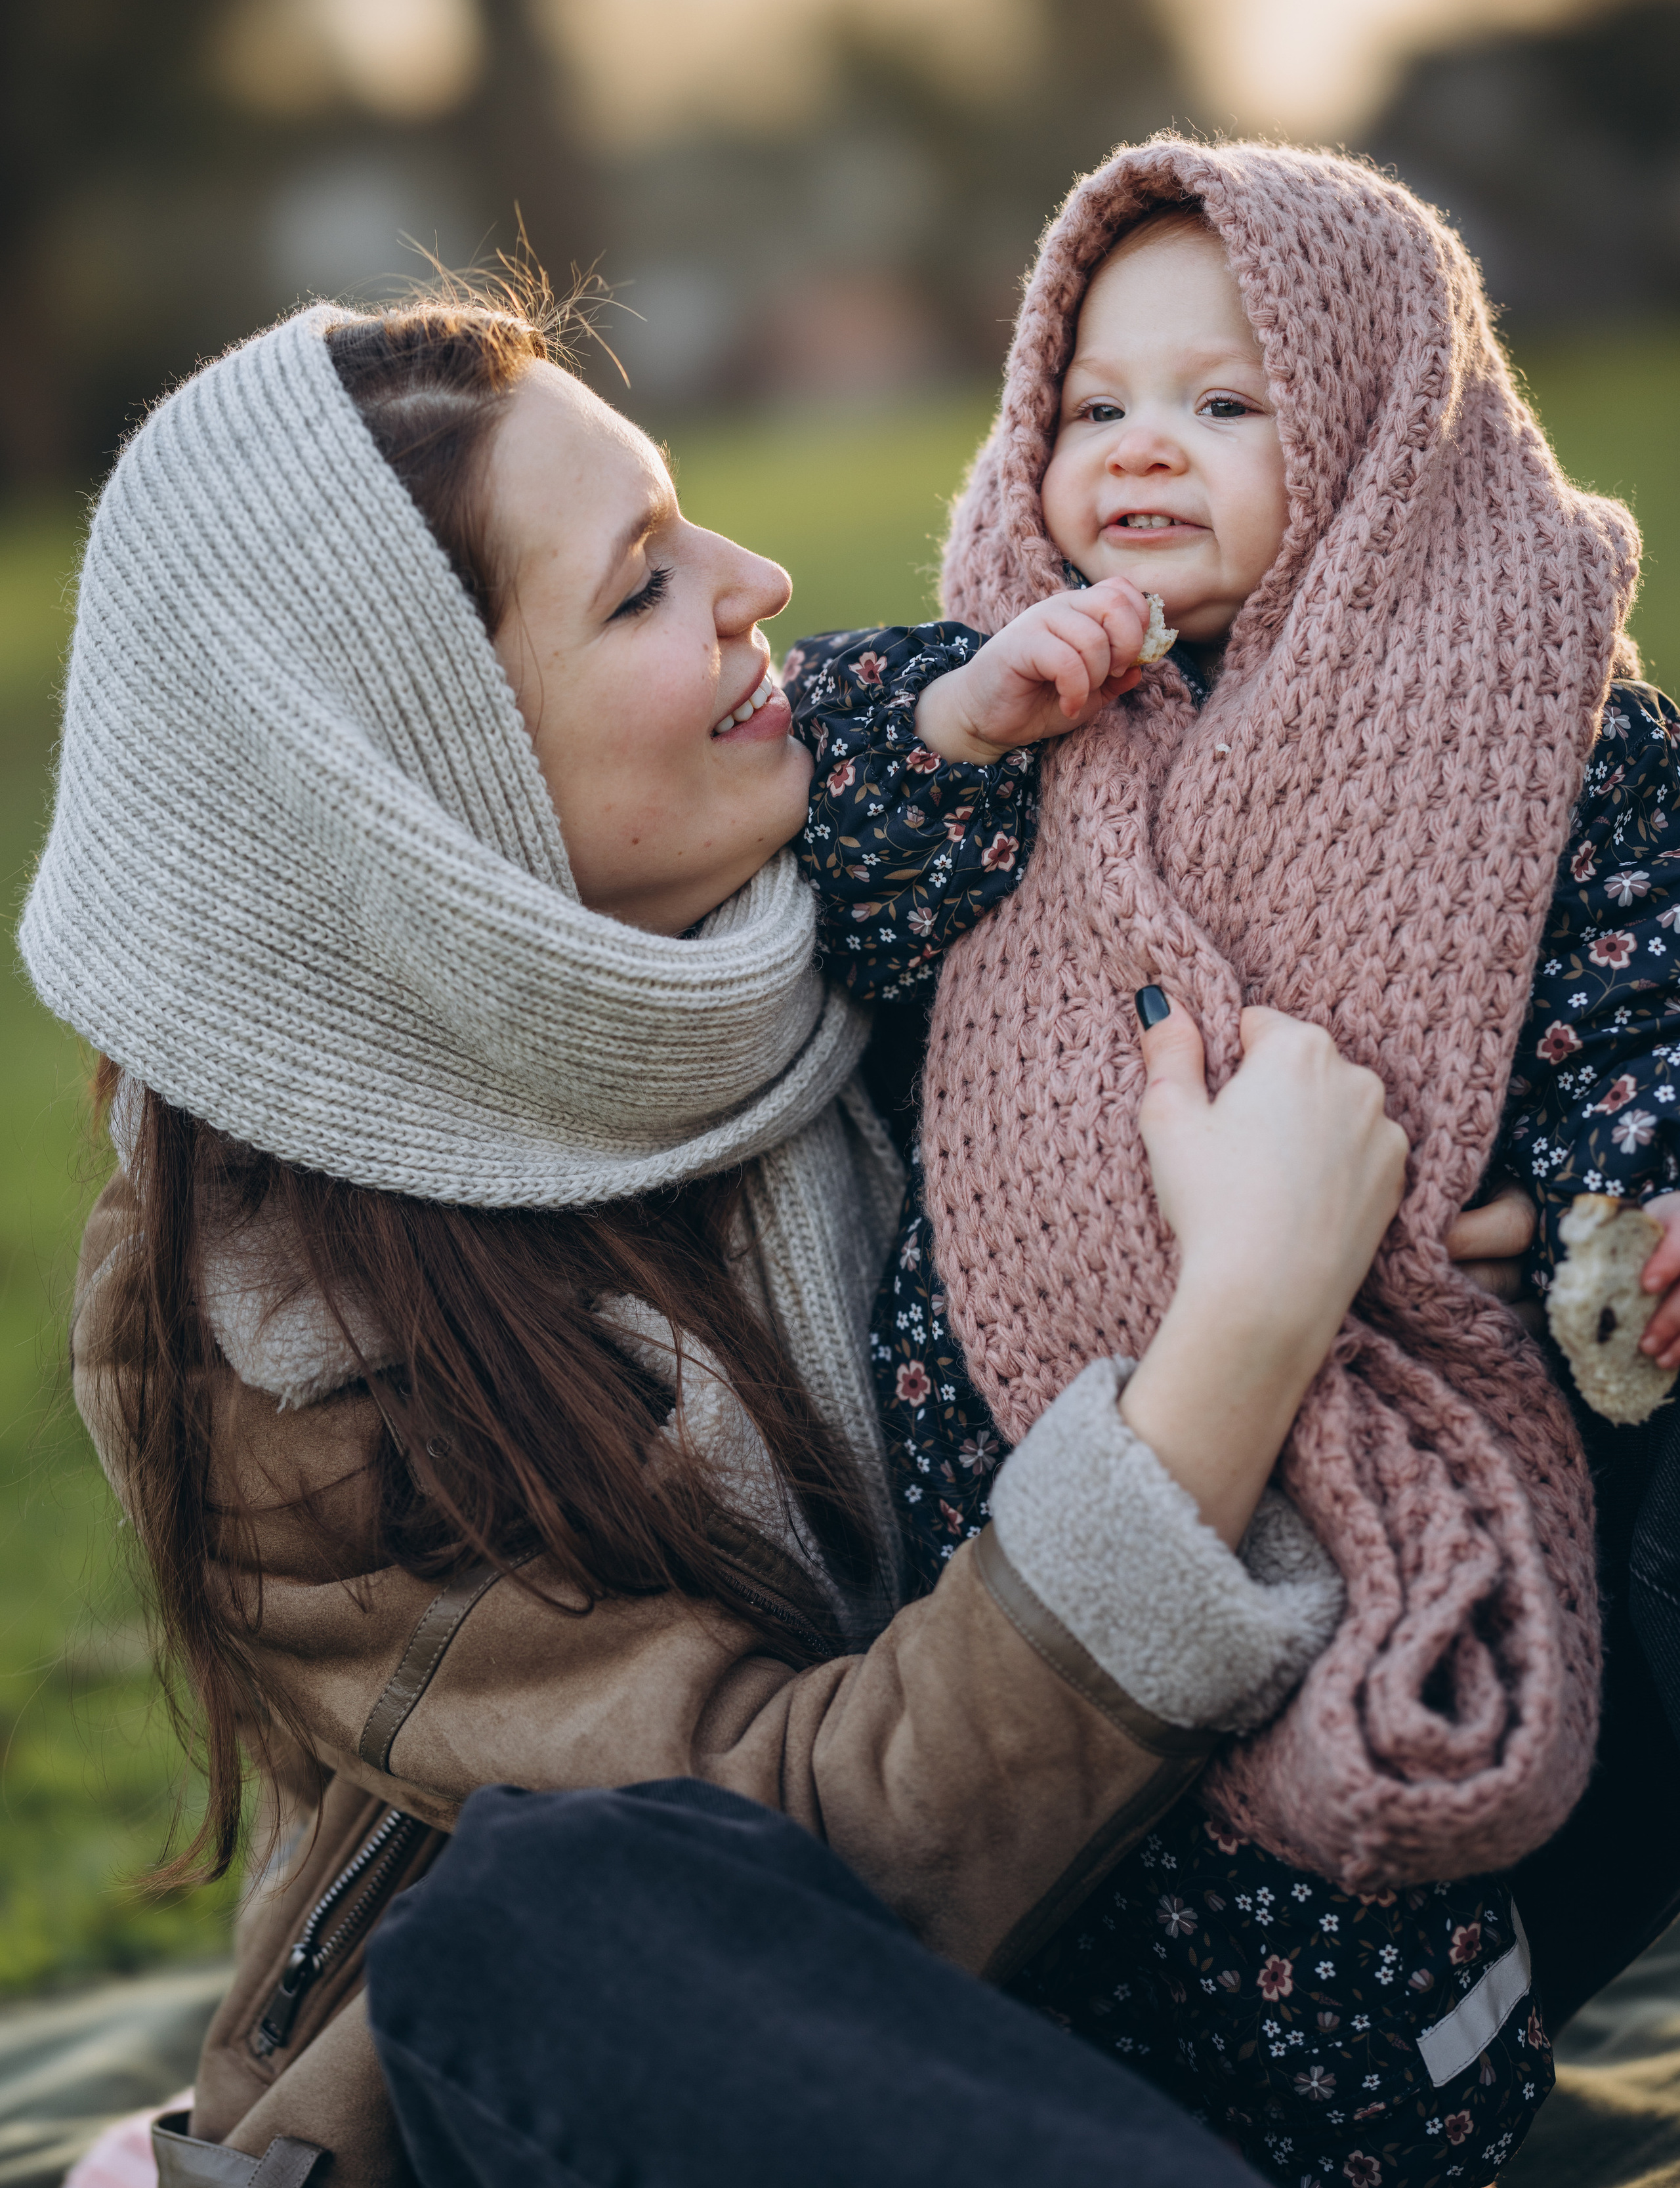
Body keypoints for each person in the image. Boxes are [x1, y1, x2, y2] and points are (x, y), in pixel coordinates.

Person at [24, 291, 1418, 2188]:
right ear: (429, 801)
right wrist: (1242, 1334)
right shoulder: (259, 1327)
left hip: (1204, 1935)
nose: (759, 579)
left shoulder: (893, 879)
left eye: (692, 525)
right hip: (686, 2070)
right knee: (544, 1921)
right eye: (640, 588)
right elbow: (803, 1864)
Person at [779, 138, 1680, 2186]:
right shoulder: (1008, 701)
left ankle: (1398, 2112)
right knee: (1074, 1871)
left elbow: (1644, 991)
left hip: (1382, 1409)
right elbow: (820, 875)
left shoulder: (1540, 738)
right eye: (1091, 405)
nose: (1136, 453)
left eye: (1222, 402)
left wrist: (1619, 1190)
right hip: (1033, 1456)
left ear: (1382, 433)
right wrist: (959, 725)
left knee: (1334, 1869)